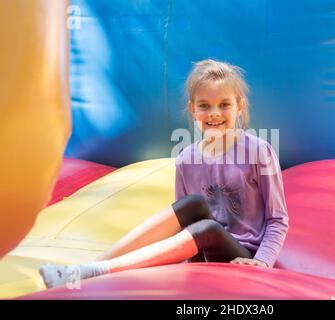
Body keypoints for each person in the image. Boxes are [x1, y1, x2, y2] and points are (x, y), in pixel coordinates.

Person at [38, 59, 289, 289]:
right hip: (205, 248)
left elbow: (277, 220)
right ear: (193, 110)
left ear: (239, 107)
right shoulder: (187, 159)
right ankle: (85, 268)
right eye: (205, 105)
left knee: (209, 227)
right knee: (194, 204)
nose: (214, 113)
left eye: (224, 105)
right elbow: (185, 222)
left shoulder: (258, 151)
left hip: (243, 256)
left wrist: (263, 262)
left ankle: (99, 269)